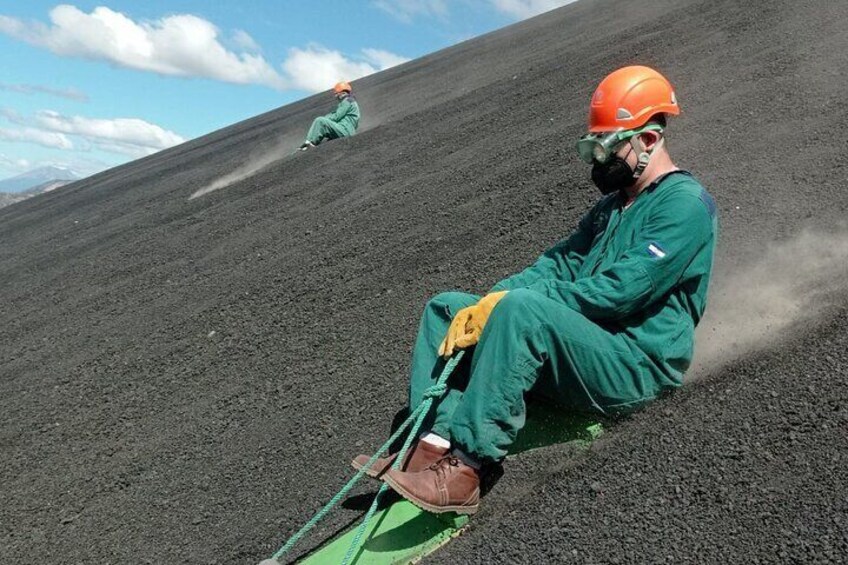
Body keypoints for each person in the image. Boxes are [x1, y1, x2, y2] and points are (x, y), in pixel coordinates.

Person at [352, 65, 719, 515]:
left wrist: (510, 306)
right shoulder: (612, 207)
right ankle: (430, 444)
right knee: (447, 308)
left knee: (522, 309)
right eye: (591, 147)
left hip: (635, 363)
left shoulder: (685, 205)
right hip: (587, 345)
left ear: (647, 140)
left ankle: (467, 469)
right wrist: (488, 302)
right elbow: (558, 263)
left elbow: (621, 292)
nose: (596, 161)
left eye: (605, 147)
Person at [299, 81, 360, 150]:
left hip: (345, 131)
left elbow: (336, 116)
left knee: (319, 120)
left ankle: (309, 143)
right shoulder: (350, 102)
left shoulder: (347, 101)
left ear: (342, 93)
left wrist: (325, 118)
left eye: (336, 94)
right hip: (347, 130)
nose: (336, 96)